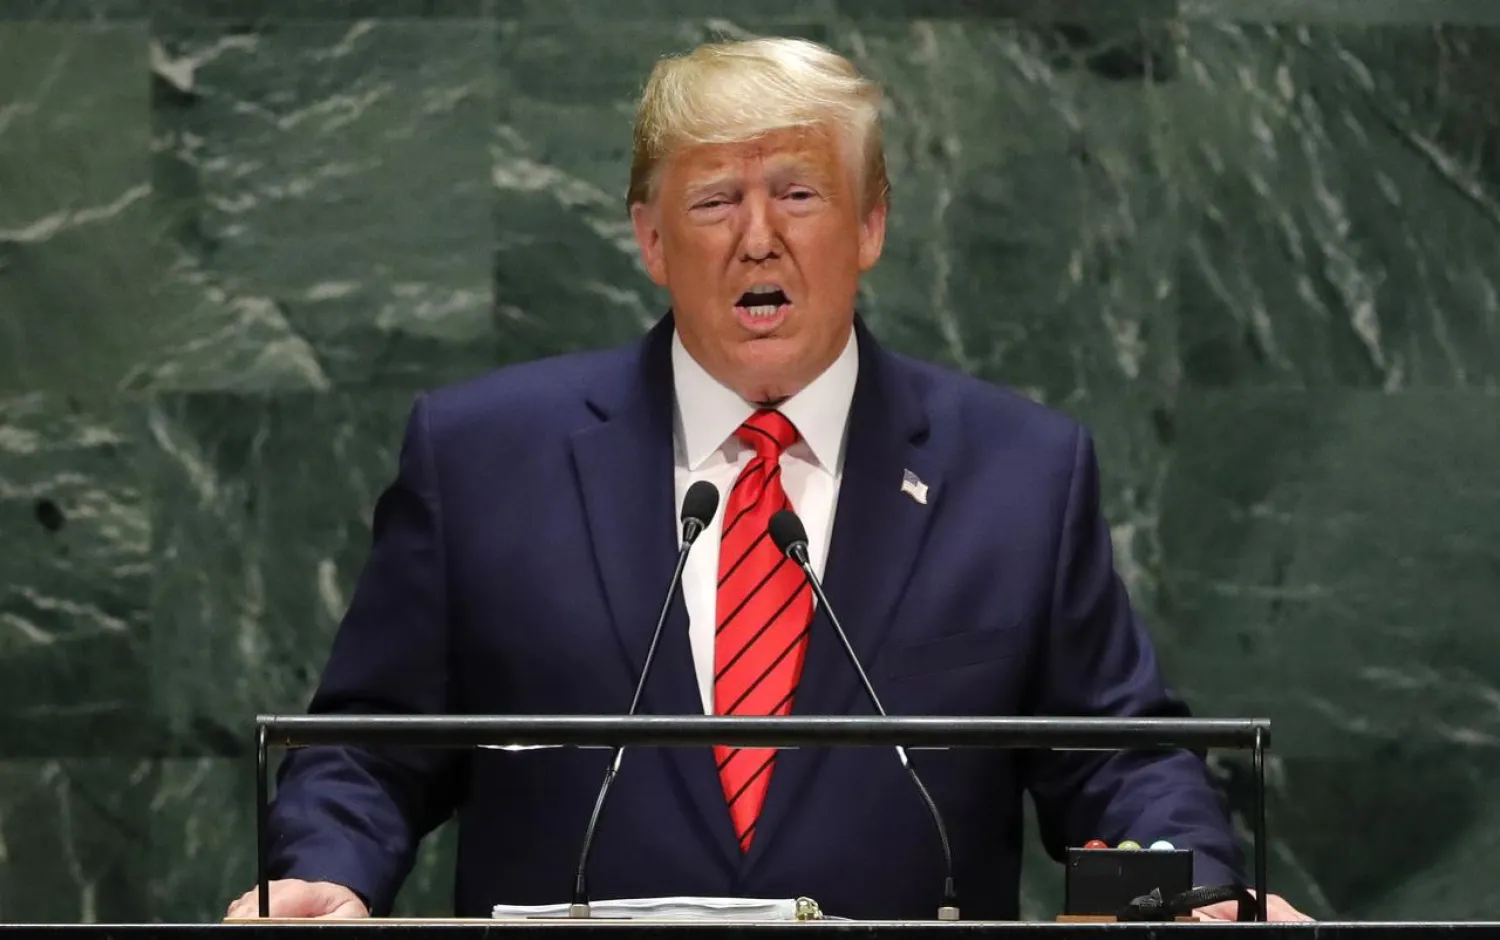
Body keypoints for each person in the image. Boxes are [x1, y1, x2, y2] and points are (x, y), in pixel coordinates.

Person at [227, 37, 1309, 923]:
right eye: (713, 202)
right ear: (649, 237)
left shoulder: (1018, 473)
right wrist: (327, 871)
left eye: (799, 192)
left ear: (871, 225)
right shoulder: (483, 458)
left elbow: (1119, 763)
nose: (759, 238)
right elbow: (369, 749)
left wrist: (1191, 892)